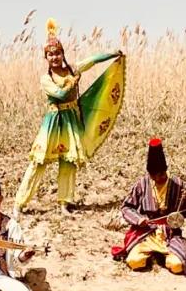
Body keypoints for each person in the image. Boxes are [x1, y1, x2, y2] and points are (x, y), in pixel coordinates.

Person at [15, 18, 125, 214]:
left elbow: (91, 61)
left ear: (62, 54)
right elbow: (59, 94)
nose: (55, 57)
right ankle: (20, 203)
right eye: (50, 54)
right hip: (53, 122)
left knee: (68, 162)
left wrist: (111, 54)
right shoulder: (46, 79)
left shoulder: (72, 68)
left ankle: (64, 203)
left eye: (57, 53)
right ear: (46, 57)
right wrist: (73, 82)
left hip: (70, 121)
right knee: (38, 162)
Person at [111, 138, 186, 276]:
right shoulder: (142, 184)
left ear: (166, 170)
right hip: (146, 234)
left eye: (162, 174)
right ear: (149, 174)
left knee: (177, 266)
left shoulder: (178, 184)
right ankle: (152, 256)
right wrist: (138, 219)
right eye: (154, 175)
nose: (159, 178)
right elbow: (126, 207)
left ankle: (164, 256)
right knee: (134, 262)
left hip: (170, 235)